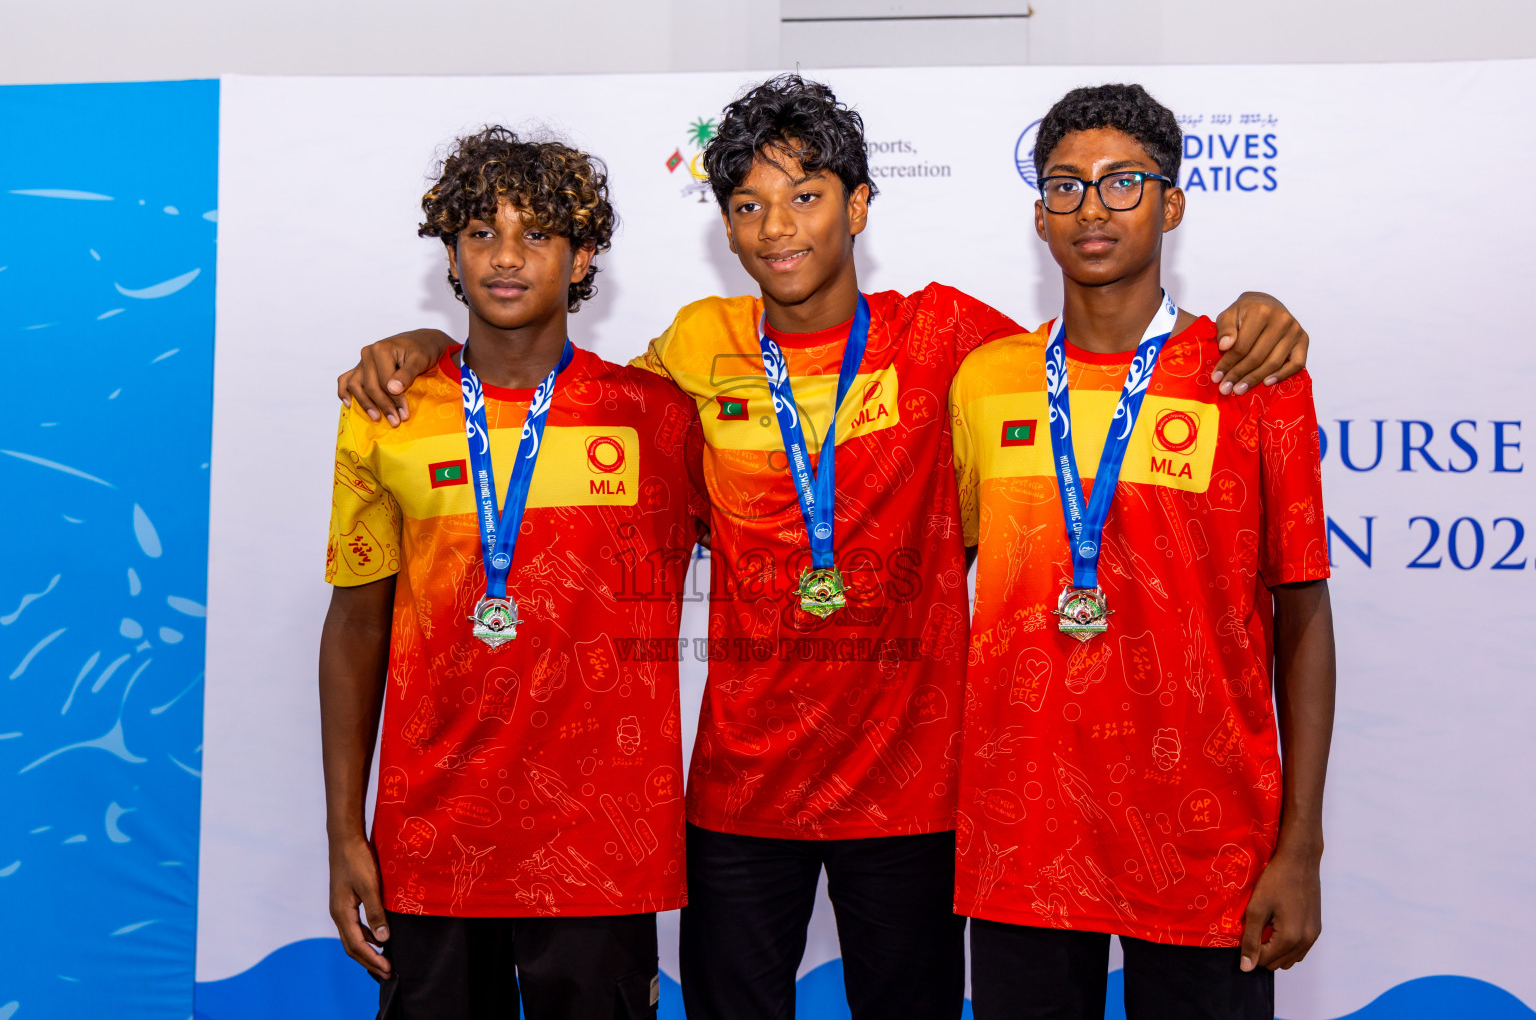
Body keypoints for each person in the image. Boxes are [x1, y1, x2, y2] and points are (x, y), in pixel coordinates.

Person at [335, 76, 1315, 1020]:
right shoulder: (688, 354)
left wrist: (1257, 310)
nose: (780, 227)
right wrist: (426, 347)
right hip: (739, 799)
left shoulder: (949, 343)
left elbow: (1100, 368)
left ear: (858, 206)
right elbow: (534, 389)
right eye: (753, 205)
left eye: (806, 196)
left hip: (914, 800)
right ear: (724, 227)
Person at [949, 83, 1335, 1020]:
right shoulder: (987, 381)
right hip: (1022, 836)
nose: (1093, 207)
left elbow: (1304, 619)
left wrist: (1301, 849)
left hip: (1205, 837)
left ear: (1173, 204)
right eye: (1067, 186)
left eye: (1125, 183)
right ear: (1039, 214)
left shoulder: (1250, 376)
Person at [319, 126, 707, 1020]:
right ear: (450, 253)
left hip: (603, 848)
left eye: (536, 233)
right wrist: (346, 831)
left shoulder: (656, 415)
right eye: (481, 232)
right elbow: (355, 627)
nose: (505, 256)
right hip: (431, 842)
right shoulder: (388, 414)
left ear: (581, 259)